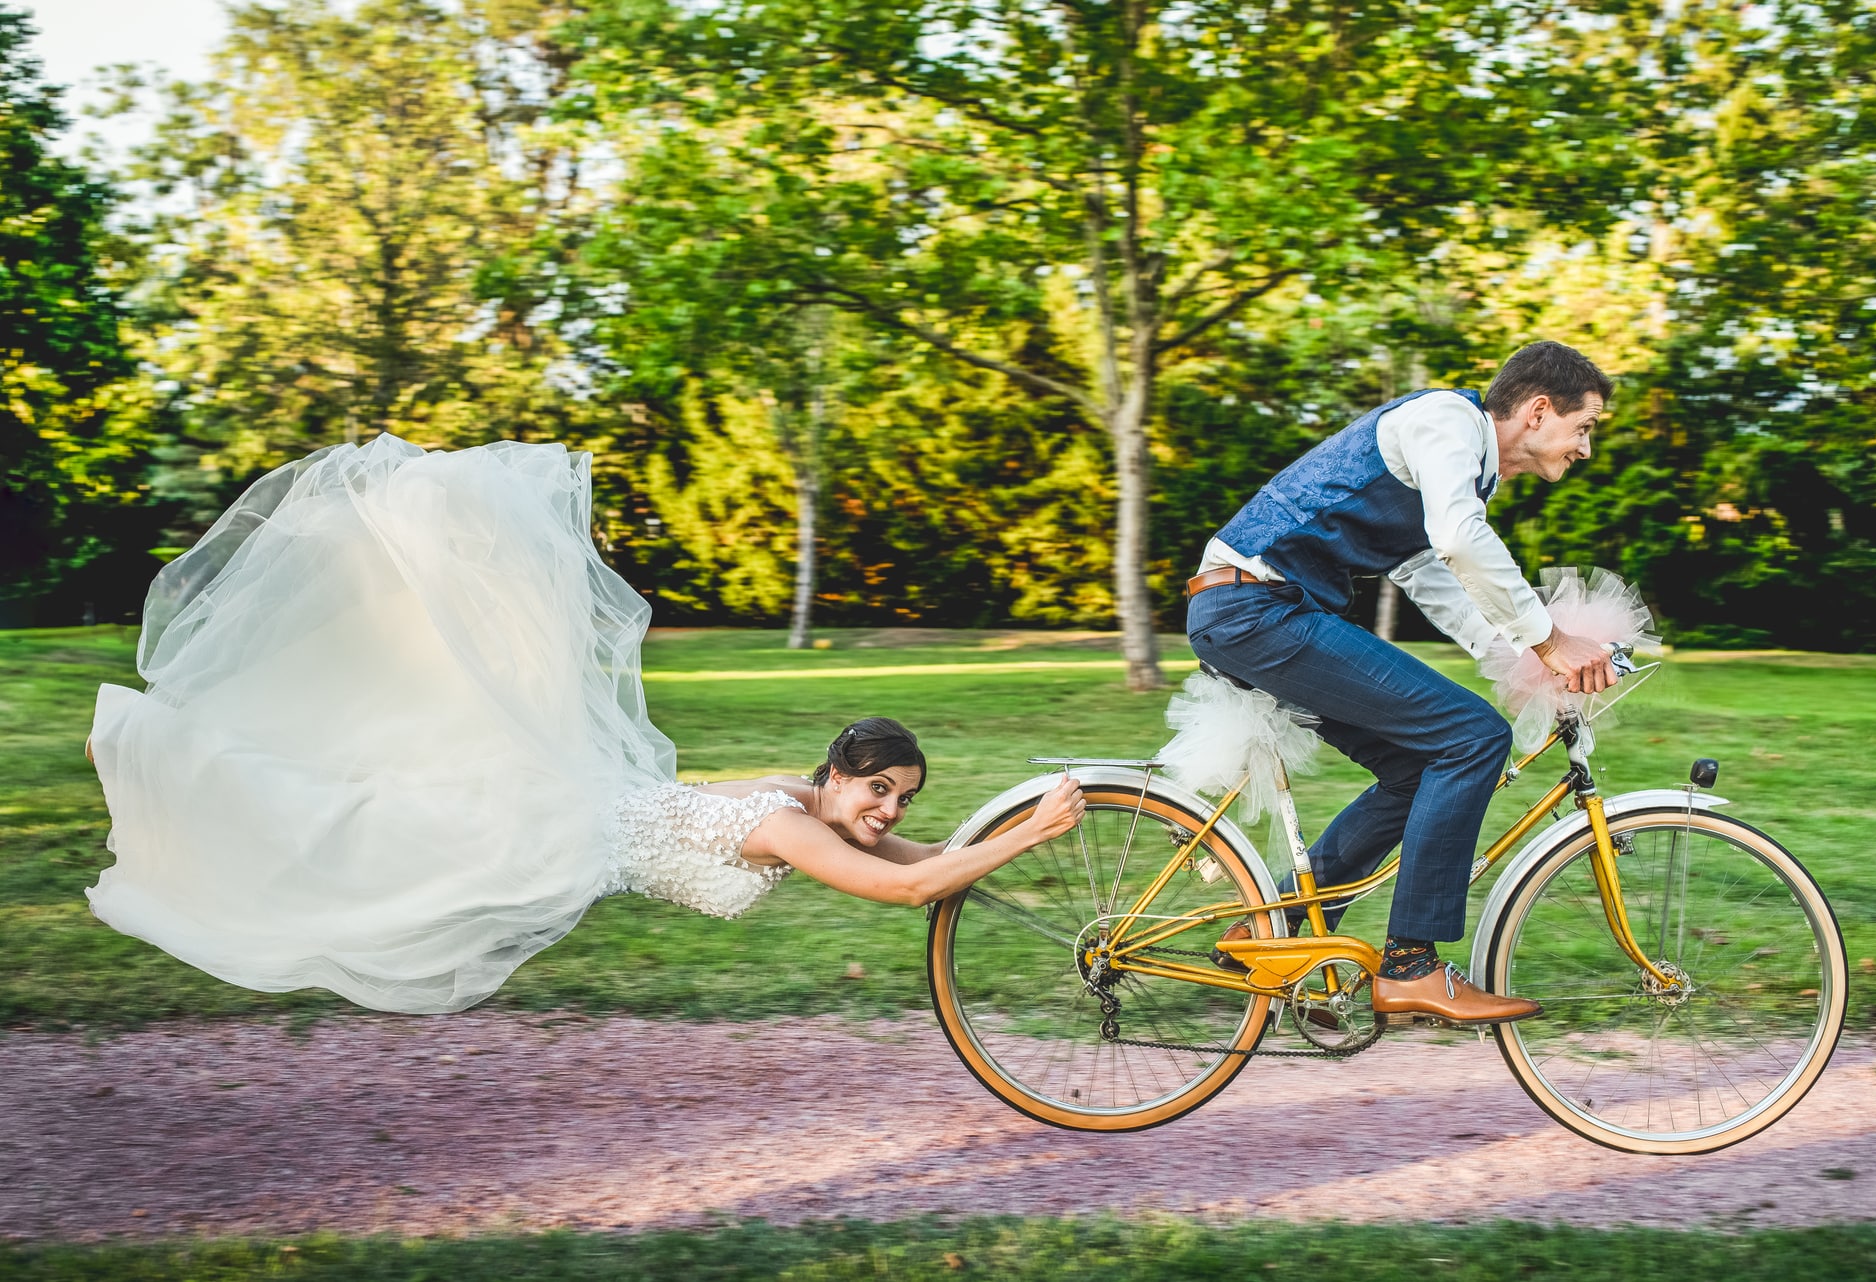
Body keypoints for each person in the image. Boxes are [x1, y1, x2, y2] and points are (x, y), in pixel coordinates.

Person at [84, 434, 1083, 1015]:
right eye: (876, 788)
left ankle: (164, 757)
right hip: (542, 834)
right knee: (354, 836)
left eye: (899, 796)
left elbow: (920, 853)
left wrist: (1008, 828)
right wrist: (1035, 830)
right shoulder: (788, 823)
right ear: (836, 773)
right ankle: (152, 753)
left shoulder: (805, 801)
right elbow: (907, 884)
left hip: (568, 812)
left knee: (363, 811)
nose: (884, 809)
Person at [1186, 341, 1618, 1025]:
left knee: (1423, 767)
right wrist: (1549, 636)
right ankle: (1411, 965)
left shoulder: (1472, 467)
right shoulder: (1446, 422)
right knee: (1474, 738)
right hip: (1254, 609)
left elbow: (1429, 573)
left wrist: (1518, 659)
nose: (1586, 447)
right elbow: (1458, 539)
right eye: (1586, 426)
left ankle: (1268, 932)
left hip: (1258, 611)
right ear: (1539, 411)